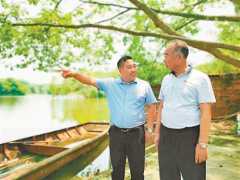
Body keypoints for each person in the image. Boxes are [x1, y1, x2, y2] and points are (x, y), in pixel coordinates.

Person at [61, 55, 157, 180]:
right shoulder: (110, 84)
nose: (133, 69)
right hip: (116, 133)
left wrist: (149, 130)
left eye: (134, 66)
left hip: (137, 134)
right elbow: (89, 80)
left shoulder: (144, 85)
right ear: (120, 70)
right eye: (129, 67)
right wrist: (74, 74)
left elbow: (152, 106)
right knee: (117, 170)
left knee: (138, 171)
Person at [154, 40, 216, 180]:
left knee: (194, 176)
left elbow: (206, 113)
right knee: (167, 176)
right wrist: (158, 133)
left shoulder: (200, 78)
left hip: (189, 137)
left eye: (166, 55)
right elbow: (161, 107)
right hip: (166, 137)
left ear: (179, 58)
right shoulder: (166, 79)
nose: (164, 59)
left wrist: (203, 144)